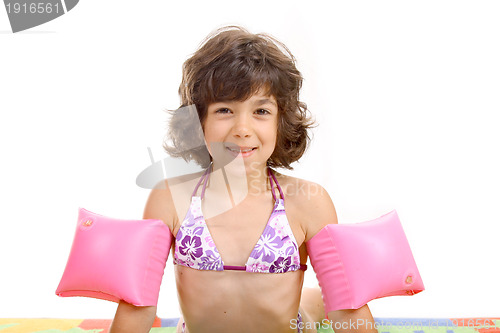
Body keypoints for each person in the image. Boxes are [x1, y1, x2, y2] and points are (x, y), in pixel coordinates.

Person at [109, 25, 378, 333]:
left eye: (261, 111)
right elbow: (137, 305)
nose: (242, 129)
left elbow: (347, 309)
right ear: (199, 121)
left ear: (281, 120)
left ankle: (308, 304)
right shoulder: (170, 197)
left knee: (316, 304)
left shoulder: (307, 202)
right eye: (225, 110)